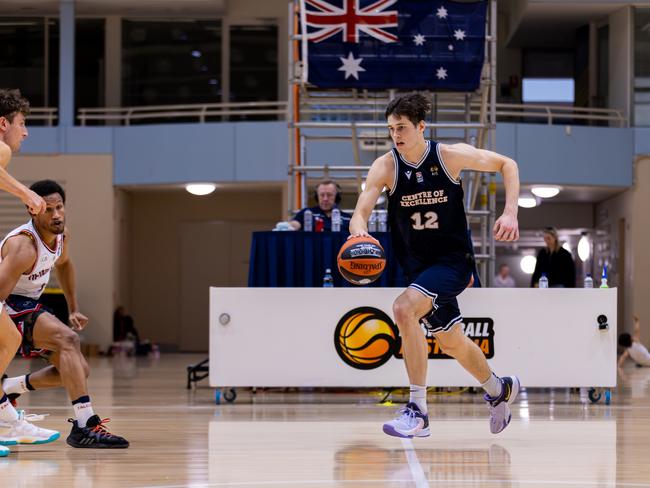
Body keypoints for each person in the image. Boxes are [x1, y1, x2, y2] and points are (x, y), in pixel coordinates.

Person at [349, 93, 520, 438]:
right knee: (451, 341)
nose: (396, 135)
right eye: (391, 129)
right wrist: (358, 234)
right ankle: (497, 388)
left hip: (453, 262)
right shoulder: (386, 166)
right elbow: (361, 210)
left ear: (421, 127)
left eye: (402, 128)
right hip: (418, 269)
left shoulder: (448, 156)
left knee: (403, 309)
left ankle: (418, 410)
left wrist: (511, 211)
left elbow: (508, 164)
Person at [0, 179, 129, 448]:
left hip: (28, 303)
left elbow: (66, 264)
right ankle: (85, 425)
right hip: (7, 302)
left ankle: (10, 387)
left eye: (59, 207)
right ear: (32, 210)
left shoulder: (62, 236)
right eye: (48, 209)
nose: (56, 214)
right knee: (68, 340)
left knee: (77, 371)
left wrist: (73, 308)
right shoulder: (23, 247)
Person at [0, 89, 59, 454]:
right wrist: (24, 192)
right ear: (3, 124)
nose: (26, 132)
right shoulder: (2, 148)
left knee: (8, 339)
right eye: (22, 124)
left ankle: (7, 418)